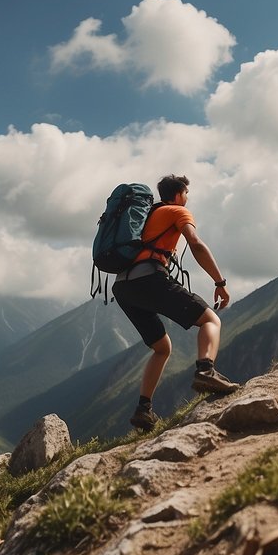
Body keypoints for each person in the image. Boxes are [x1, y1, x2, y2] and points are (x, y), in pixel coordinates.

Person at [112, 174, 238, 430]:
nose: (188, 199)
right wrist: (220, 283)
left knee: (162, 348)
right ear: (179, 194)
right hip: (149, 278)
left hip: (123, 287)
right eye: (187, 194)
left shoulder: (146, 216)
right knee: (210, 320)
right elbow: (196, 243)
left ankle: (143, 411)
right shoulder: (177, 212)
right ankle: (206, 371)